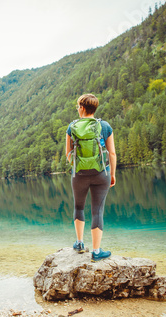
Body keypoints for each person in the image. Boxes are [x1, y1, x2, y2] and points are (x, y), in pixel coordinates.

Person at [65, 94, 117, 261]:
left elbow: (68, 154)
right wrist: (112, 174)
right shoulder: (105, 126)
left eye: (77, 106)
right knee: (97, 210)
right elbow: (112, 153)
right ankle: (96, 252)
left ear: (82, 108)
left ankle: (79, 244)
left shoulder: (71, 127)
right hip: (102, 173)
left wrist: (78, 167)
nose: (77, 109)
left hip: (78, 174)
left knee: (79, 207)